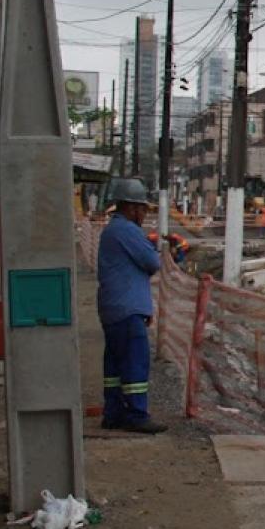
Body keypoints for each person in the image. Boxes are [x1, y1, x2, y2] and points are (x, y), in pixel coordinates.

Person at [97, 179, 166, 434]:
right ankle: (137, 414)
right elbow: (152, 262)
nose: (144, 215)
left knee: (115, 364)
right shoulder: (127, 230)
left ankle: (113, 413)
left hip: (115, 307)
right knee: (136, 361)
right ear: (132, 207)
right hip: (127, 308)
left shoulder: (113, 230)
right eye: (143, 209)